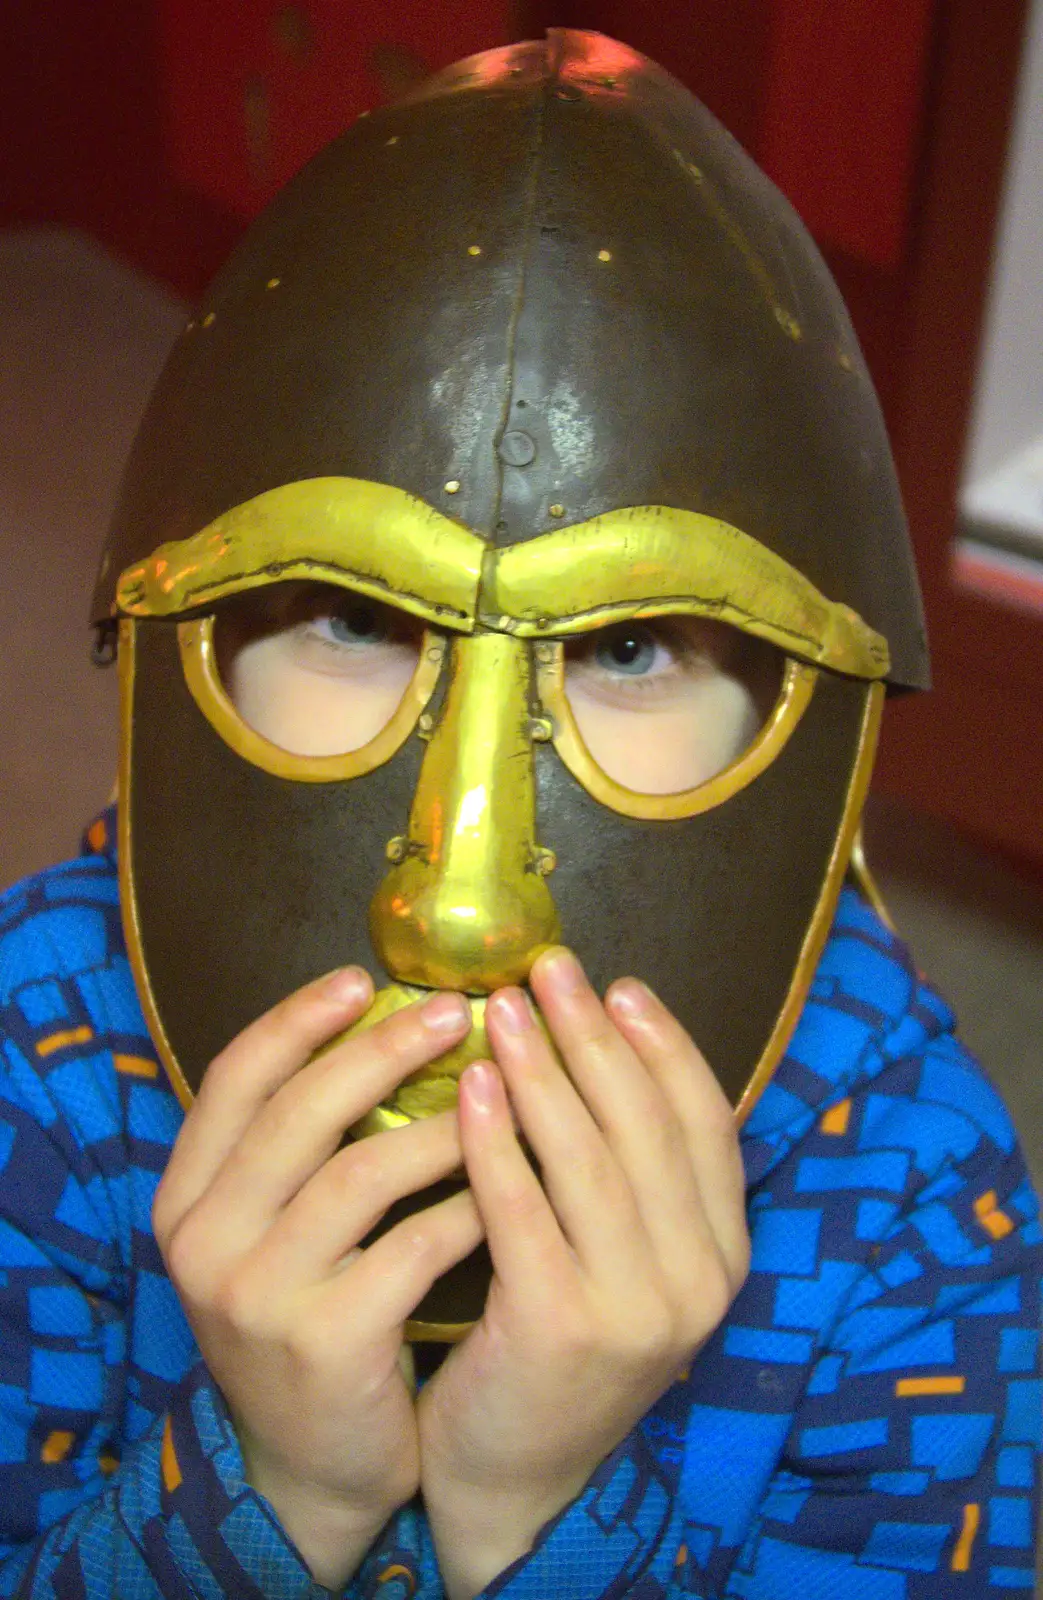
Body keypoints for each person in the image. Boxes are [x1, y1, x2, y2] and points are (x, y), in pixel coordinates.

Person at [1, 30, 1040, 1600]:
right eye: (353, 619)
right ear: (170, 639)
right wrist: (268, 1490)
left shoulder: (905, 1197)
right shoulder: (36, 1077)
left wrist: (537, 1515)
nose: (463, 907)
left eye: (630, 648)